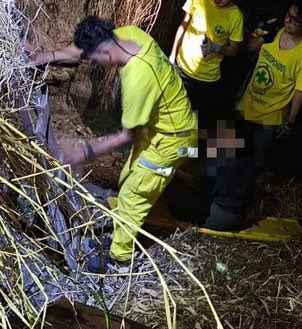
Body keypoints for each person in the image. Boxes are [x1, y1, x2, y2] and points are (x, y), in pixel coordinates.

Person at [30, 16, 197, 272]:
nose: (94, 65)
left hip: (173, 140)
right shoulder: (127, 34)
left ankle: (119, 258)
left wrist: (84, 150)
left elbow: (124, 136)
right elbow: (80, 50)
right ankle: (129, 225)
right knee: (129, 177)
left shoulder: (137, 78)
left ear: (106, 52)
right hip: (159, 128)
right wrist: (46, 56)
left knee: (134, 194)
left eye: (95, 60)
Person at [237, 0, 302, 172]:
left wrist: (290, 121)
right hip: (248, 103)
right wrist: (264, 37)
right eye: (288, 15)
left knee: (257, 157)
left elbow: (299, 90)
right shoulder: (273, 27)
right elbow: (249, 47)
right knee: (234, 146)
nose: (288, 20)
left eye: (295, 20)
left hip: (271, 115)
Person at [169, 0, 244, 124]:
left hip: (206, 80)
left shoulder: (236, 16)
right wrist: (172, 56)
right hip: (181, 68)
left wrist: (216, 47)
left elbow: (233, 50)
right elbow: (183, 25)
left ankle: (186, 151)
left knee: (192, 123)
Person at [164, 119, 255, 232]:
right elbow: (197, 152)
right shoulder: (238, 152)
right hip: (238, 213)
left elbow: (197, 183)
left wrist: (173, 171)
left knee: (169, 181)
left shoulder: (221, 162)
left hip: (222, 218)